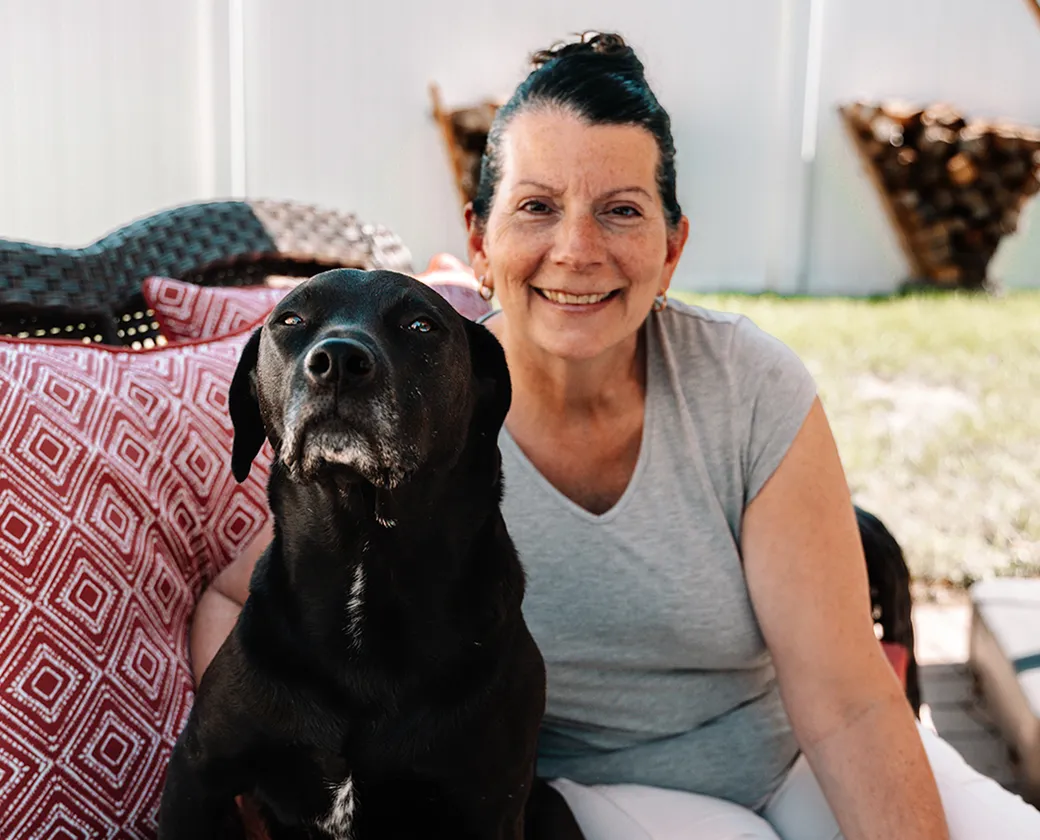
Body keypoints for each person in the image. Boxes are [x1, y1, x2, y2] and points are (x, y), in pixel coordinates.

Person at [190, 32, 1040, 840]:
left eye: (622, 211)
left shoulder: (749, 384)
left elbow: (849, 703)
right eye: (537, 207)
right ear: (480, 242)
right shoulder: (424, 413)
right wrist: (281, 776)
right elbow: (240, 599)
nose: (577, 249)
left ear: (672, 248)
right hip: (598, 799)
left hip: (796, 761)